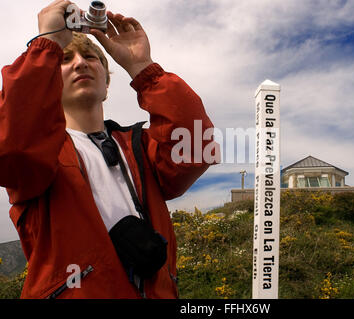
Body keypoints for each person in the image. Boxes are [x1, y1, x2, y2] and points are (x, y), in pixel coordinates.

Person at [0, 0, 218, 298]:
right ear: (50, 78)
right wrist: (46, 44)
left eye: (91, 56)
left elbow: (197, 148)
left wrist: (143, 67)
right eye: (65, 59)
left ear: (106, 83)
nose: (80, 63)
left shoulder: (141, 146)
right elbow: (11, 147)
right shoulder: (38, 153)